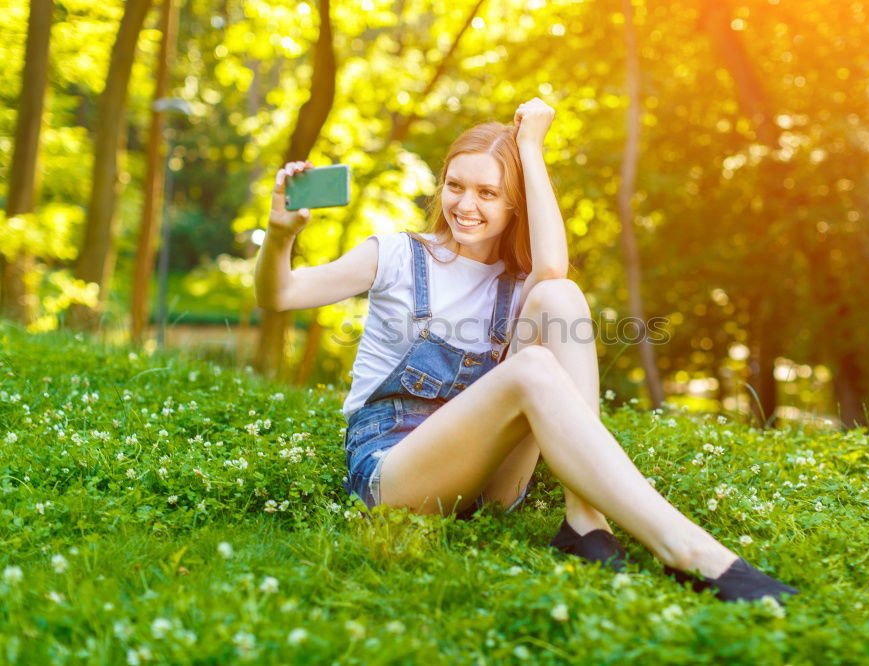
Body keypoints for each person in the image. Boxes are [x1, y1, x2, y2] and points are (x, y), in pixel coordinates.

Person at [255, 98, 799, 604]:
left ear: (515, 204)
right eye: (455, 186)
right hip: (396, 471)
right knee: (534, 366)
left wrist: (532, 149)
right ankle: (690, 551)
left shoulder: (515, 285)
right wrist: (281, 235)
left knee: (558, 295)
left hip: (491, 481)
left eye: (488, 194)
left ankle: (585, 521)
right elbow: (281, 295)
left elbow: (554, 271)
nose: (465, 205)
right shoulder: (396, 255)